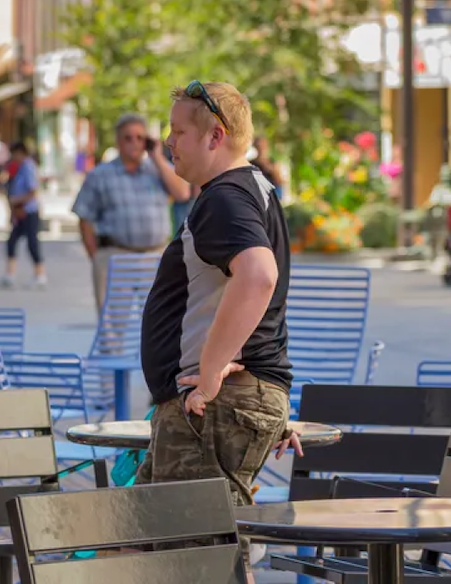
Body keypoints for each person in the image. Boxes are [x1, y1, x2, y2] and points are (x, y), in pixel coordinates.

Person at [139, 82, 294, 582]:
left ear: (215, 137)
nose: (169, 143)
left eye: (179, 132)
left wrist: (209, 377)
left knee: (194, 564)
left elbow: (259, 276)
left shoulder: (223, 198)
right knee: (149, 545)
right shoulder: (252, 190)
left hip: (210, 405)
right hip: (222, 403)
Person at [71, 113, 191, 312]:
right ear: (118, 141)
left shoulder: (159, 169)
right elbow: (85, 218)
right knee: (113, 331)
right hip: (115, 257)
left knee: (160, 325)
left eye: (139, 138)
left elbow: (182, 193)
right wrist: (96, 257)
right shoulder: (100, 175)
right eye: (128, 138)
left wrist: (157, 157)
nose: (134, 143)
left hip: (154, 258)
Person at [2, 142, 47, 289]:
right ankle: (10, 274)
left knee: (32, 243)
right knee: (12, 241)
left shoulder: (28, 167)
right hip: (19, 212)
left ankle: (40, 275)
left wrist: (17, 200)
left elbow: (32, 191)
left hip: (28, 211)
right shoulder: (20, 167)